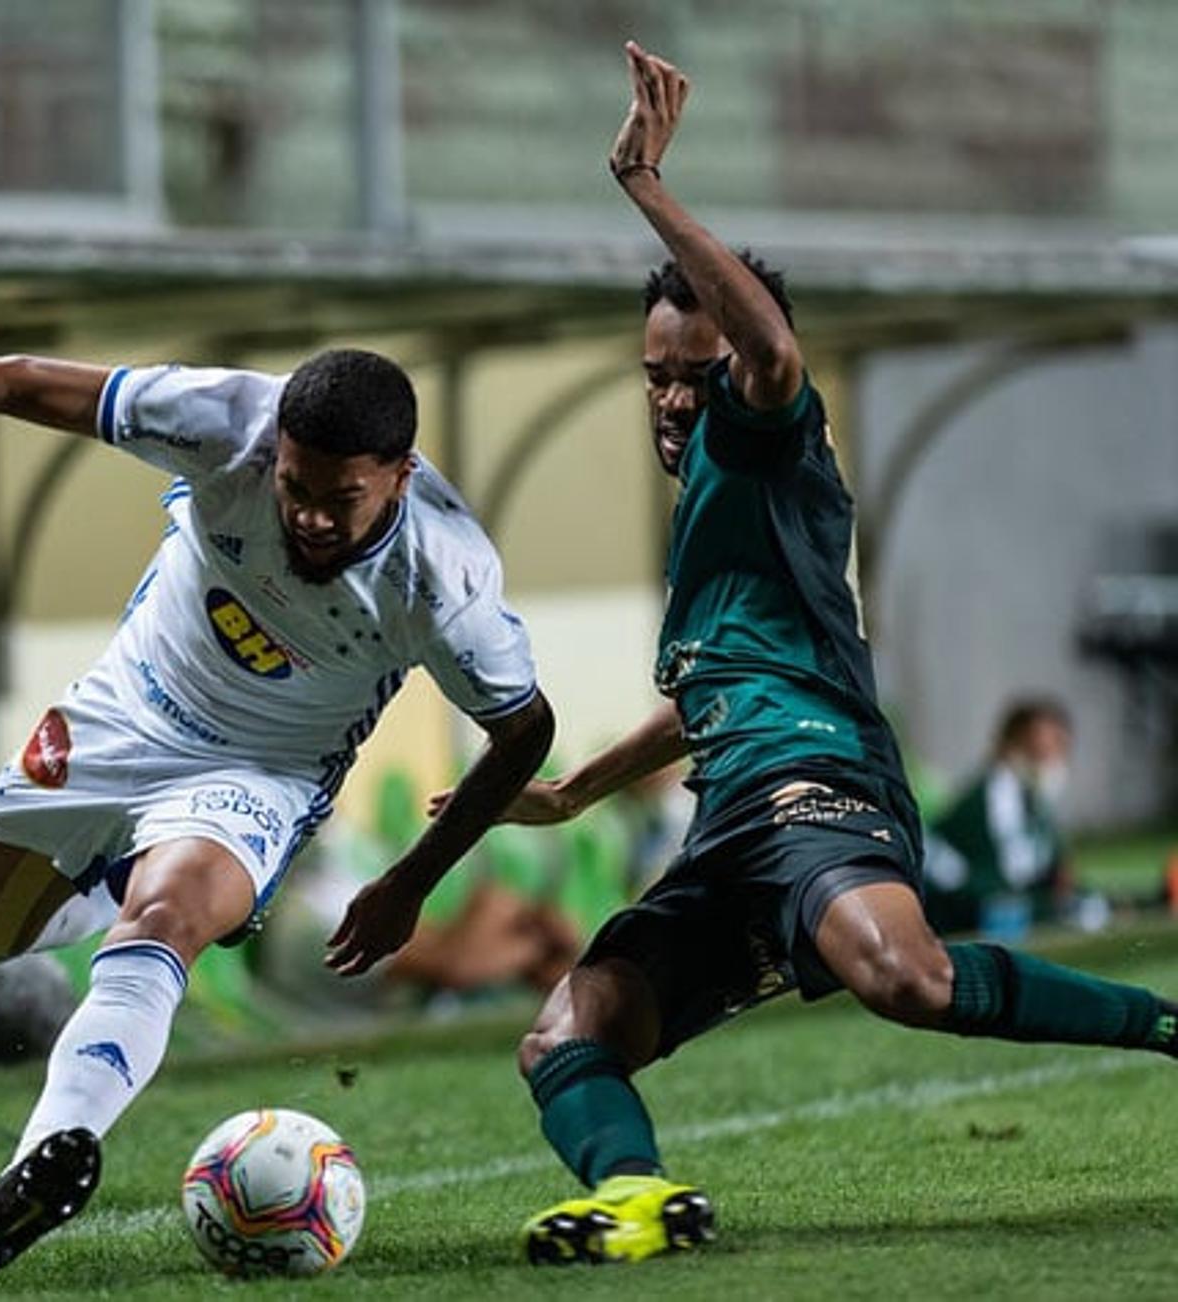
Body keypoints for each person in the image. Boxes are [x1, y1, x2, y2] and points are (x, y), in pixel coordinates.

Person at [395, 41, 1178, 1266]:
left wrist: (646, 184)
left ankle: (1167, 1023)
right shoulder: (718, 527)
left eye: (690, 375)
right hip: (733, 827)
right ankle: (635, 1199)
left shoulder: (763, 445)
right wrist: (576, 791)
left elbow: (770, 360)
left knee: (903, 982)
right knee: (564, 1034)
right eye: (653, 377)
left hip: (819, 784)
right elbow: (701, 697)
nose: (669, 397)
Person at [0, 348, 556, 1272]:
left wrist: (411, 880)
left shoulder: (445, 581)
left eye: (344, 499)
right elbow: (11, 379)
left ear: (401, 476)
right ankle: (120, 878)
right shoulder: (224, 421)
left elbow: (523, 732)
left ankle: (47, 1155)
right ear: (276, 448)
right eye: (296, 486)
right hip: (123, 712)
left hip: (261, 769)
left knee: (166, 919)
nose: (310, 515)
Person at [924, 698, 1077, 936]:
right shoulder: (996, 795)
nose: (1051, 762)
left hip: (983, 899)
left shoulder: (1031, 798)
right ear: (1010, 746)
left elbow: (1054, 874)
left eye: (1058, 749)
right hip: (945, 906)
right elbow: (1008, 883)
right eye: (1039, 751)